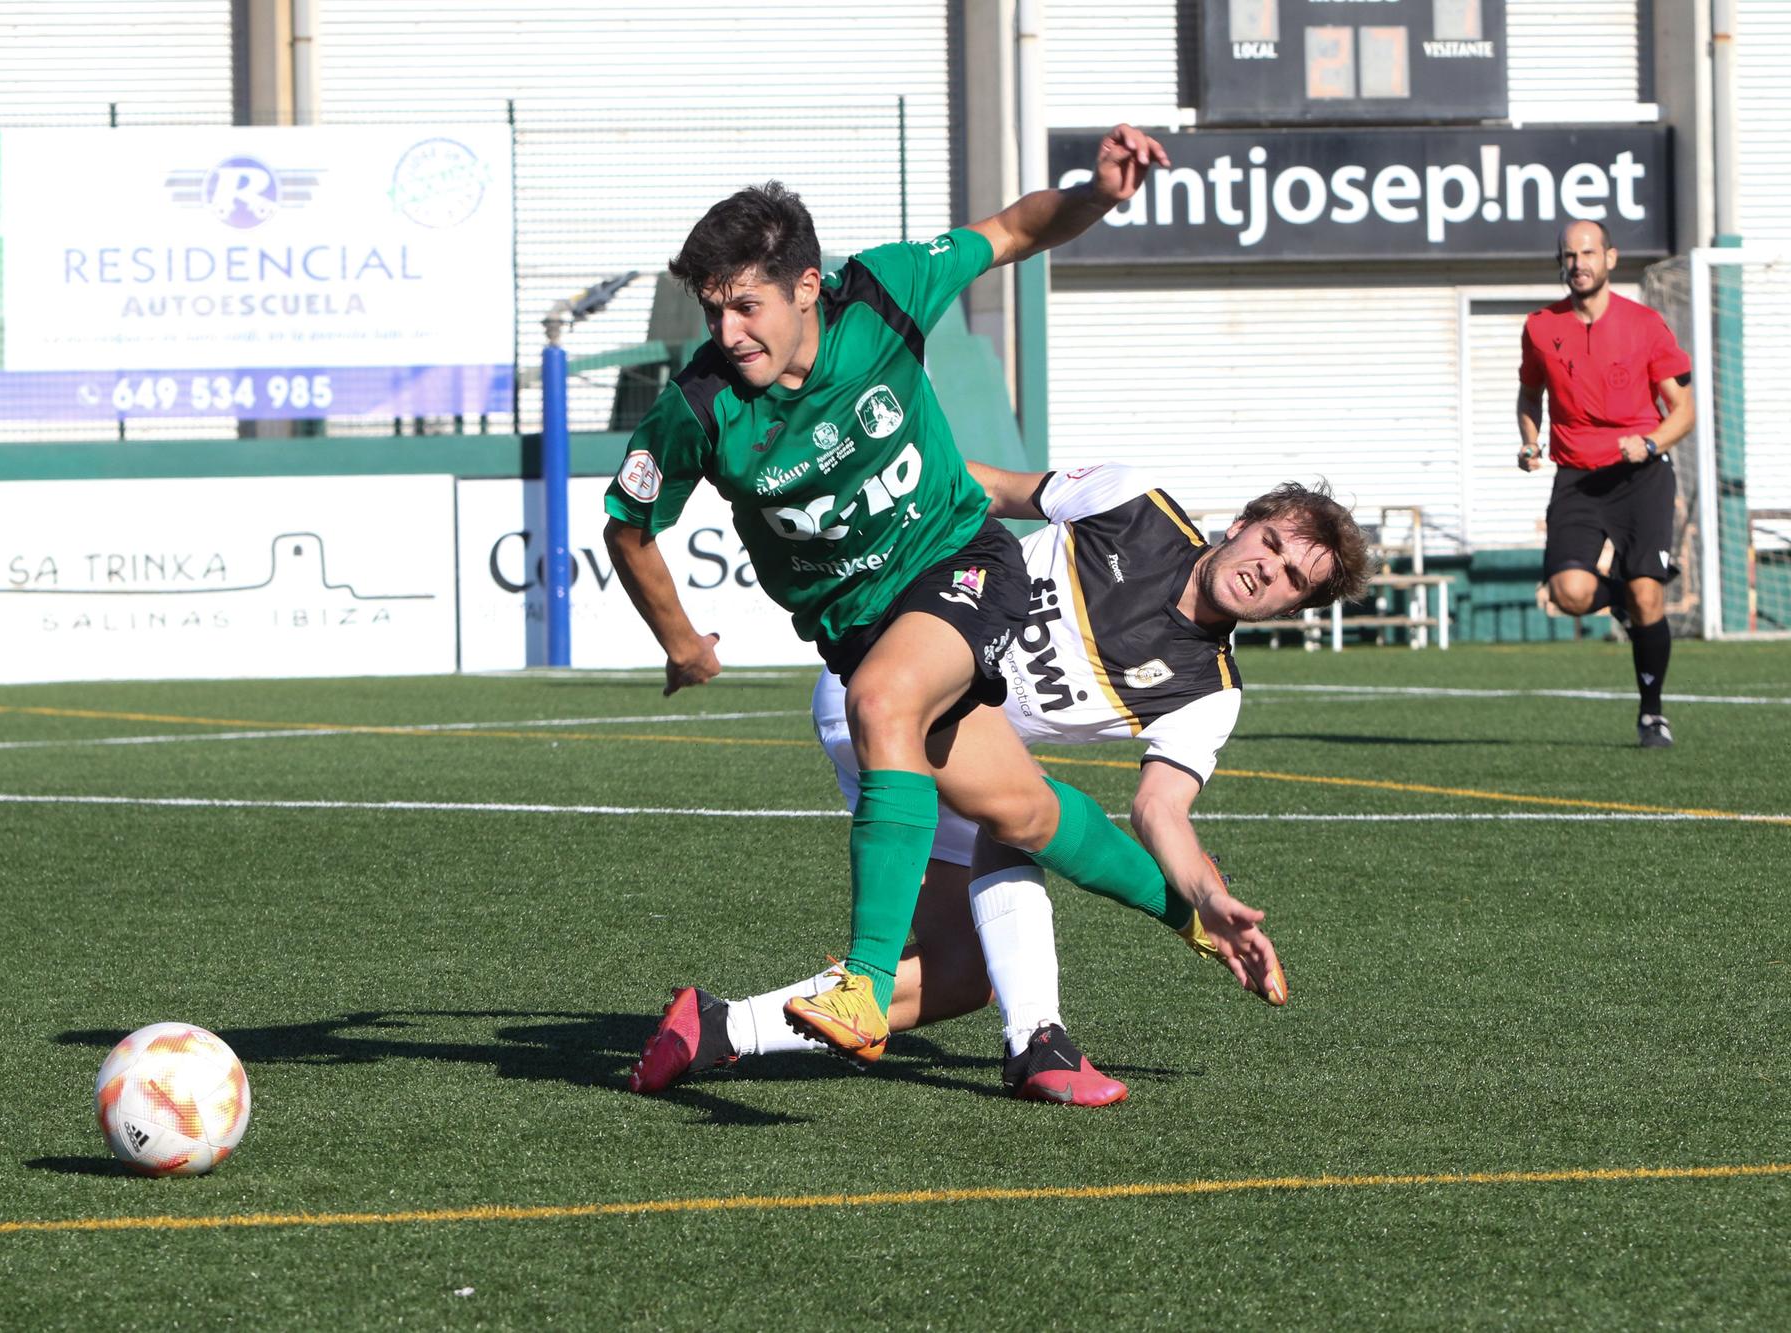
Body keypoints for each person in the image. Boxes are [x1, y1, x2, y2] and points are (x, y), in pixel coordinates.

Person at [605, 128, 1284, 1075]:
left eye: (747, 307)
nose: (729, 334)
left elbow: (1011, 231)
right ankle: (1192, 925)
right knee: (1028, 815)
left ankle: (867, 983)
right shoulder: (701, 408)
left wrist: (1095, 191)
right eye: (714, 311)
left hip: (959, 562)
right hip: (858, 627)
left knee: (883, 700)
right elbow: (629, 527)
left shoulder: (881, 293)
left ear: (808, 286)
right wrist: (681, 642)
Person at [628, 461, 1371, 1104]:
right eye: (1270, 544)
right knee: (1025, 809)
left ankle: (720, 1025)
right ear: (1242, 523)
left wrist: (1210, 893)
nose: (1267, 570)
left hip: (963, 745)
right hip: (896, 672)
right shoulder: (1134, 502)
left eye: (1292, 579)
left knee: (963, 973)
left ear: (1293, 610)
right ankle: (1037, 1040)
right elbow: (985, 486)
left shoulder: (1209, 691)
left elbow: (1159, 808)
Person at [1518, 219, 1696, 747]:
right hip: (1577, 478)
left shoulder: (1646, 325)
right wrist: (1530, 442)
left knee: (1649, 599)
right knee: (1568, 594)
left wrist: (1651, 442)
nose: (1579, 264)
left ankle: (1652, 712)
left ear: (1610, 259)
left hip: (1641, 475)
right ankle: (1619, 596)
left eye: (1588, 253)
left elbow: (1683, 411)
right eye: (1570, 255)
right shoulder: (1539, 328)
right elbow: (1530, 396)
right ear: (1561, 263)